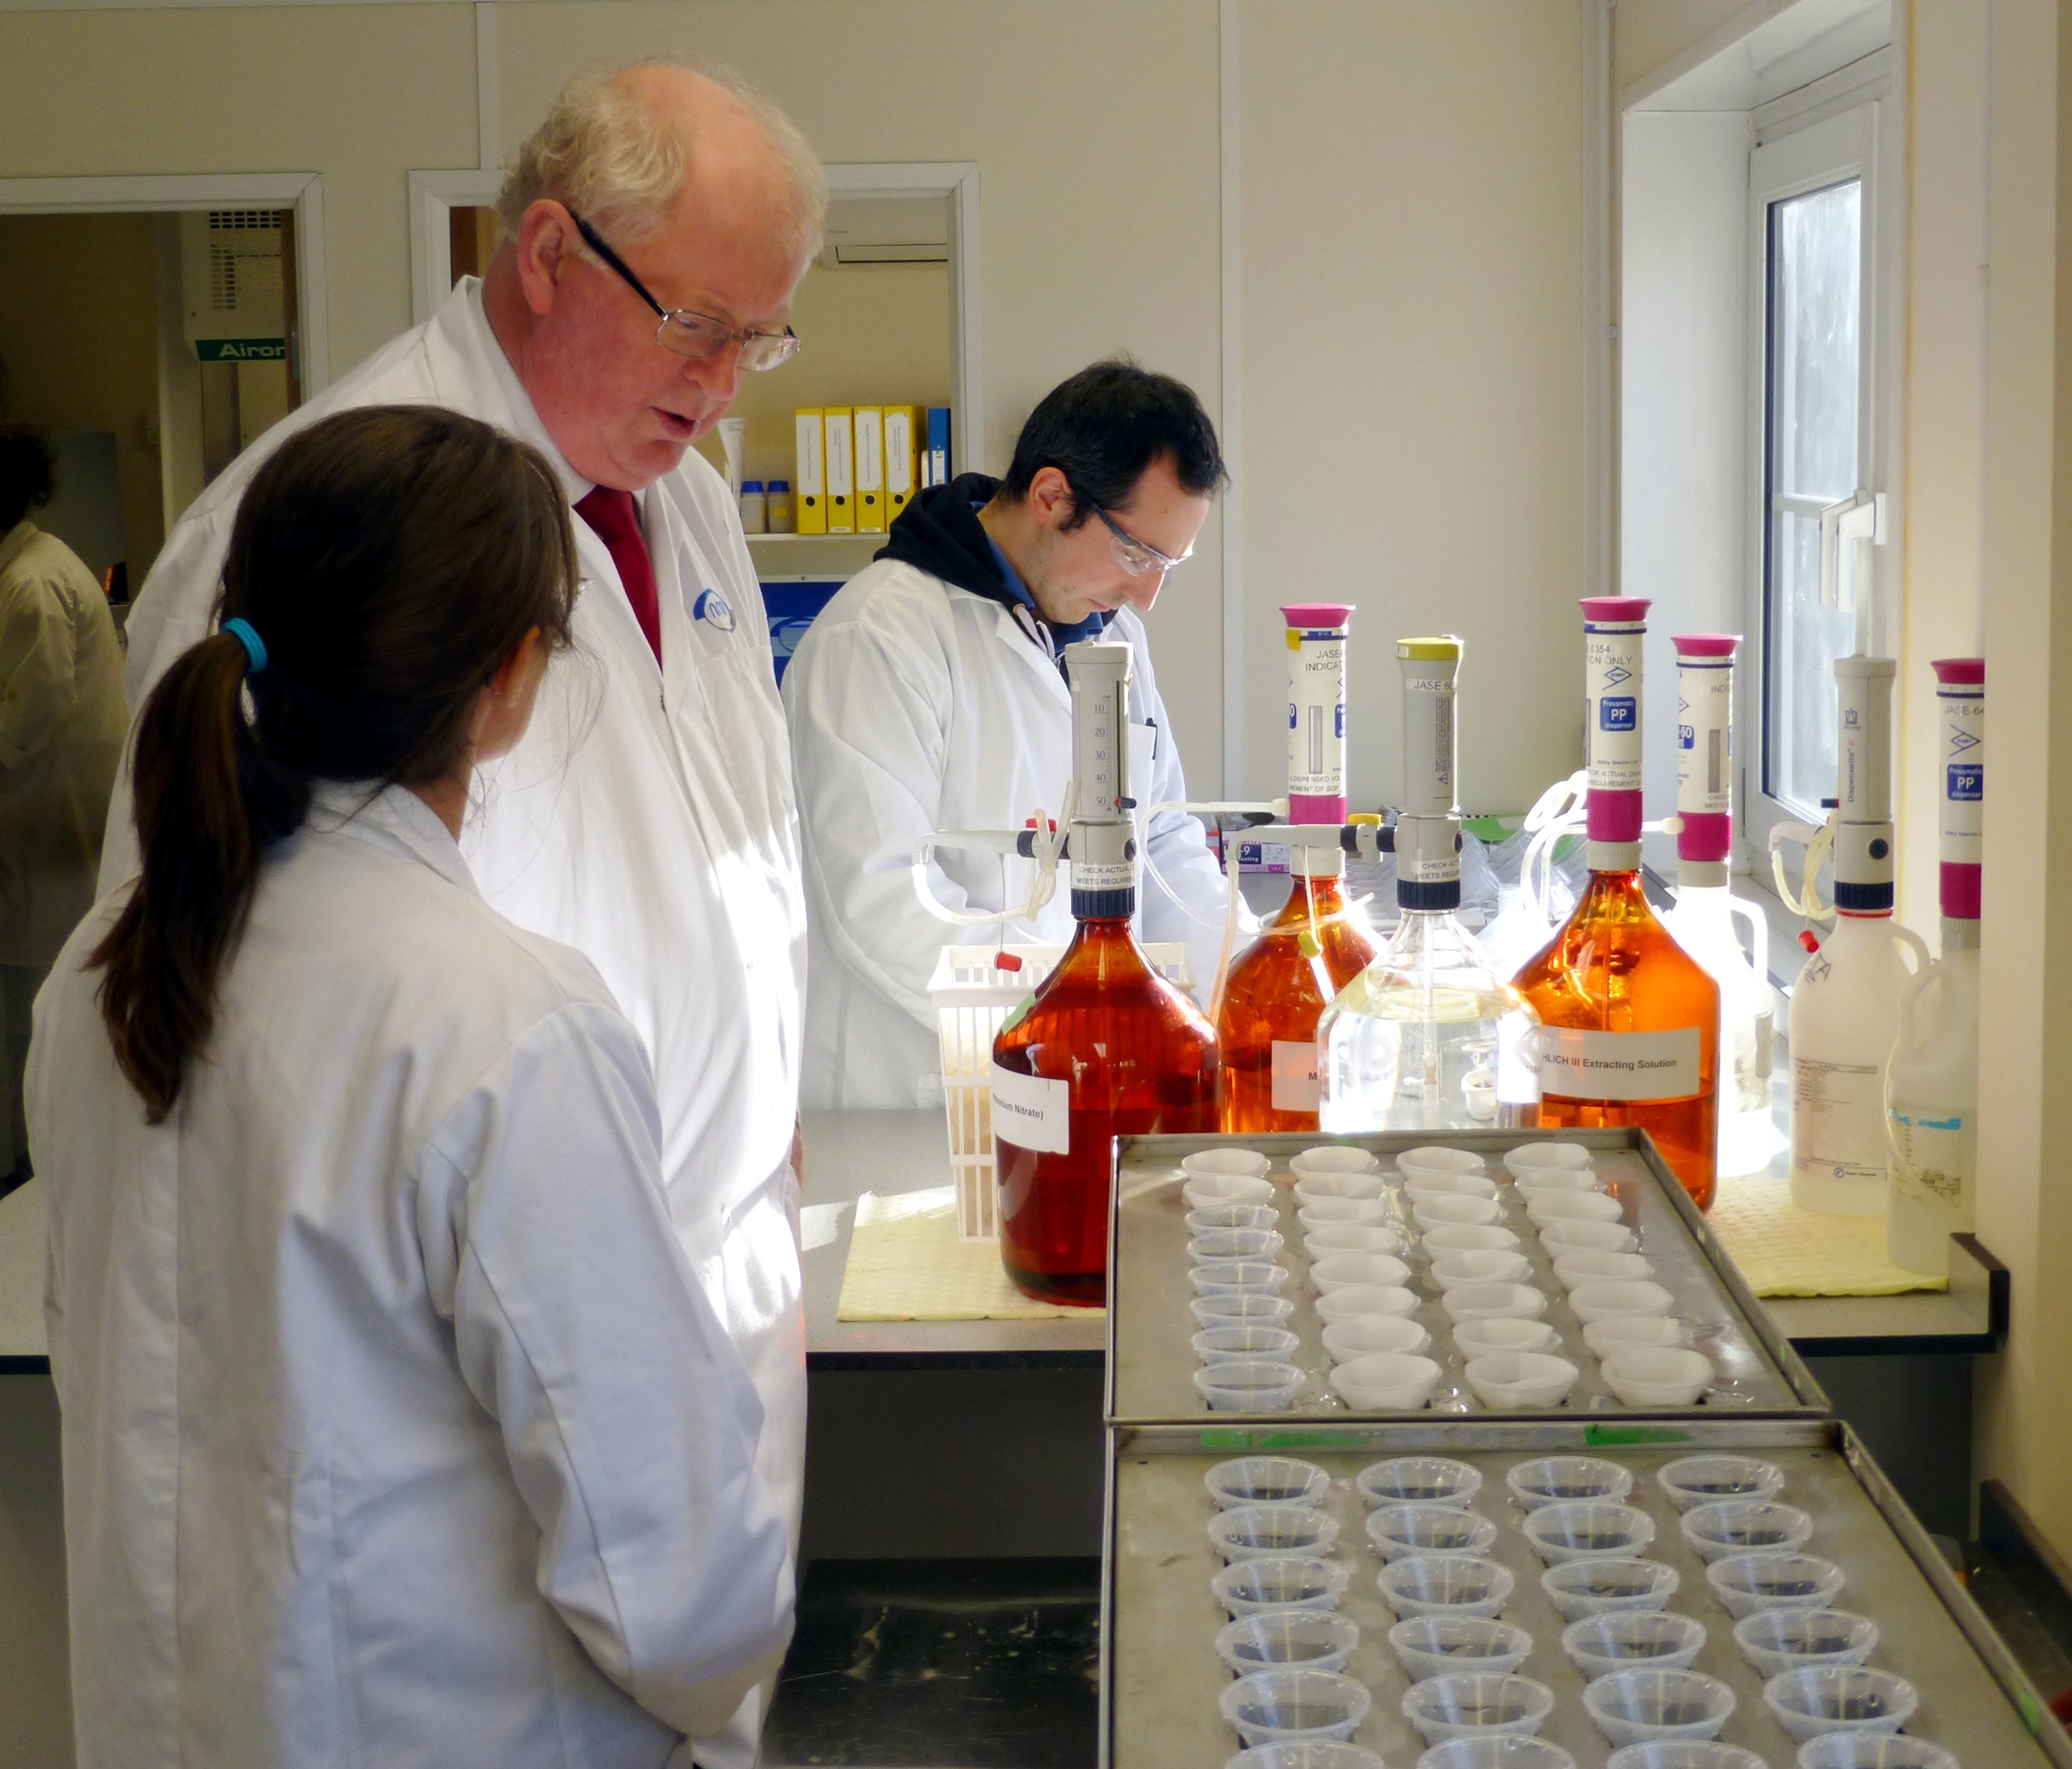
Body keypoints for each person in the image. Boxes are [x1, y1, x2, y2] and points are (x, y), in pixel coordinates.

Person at [99, 63, 821, 1764]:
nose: (720, 389)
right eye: (695, 327)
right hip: (467, 1414)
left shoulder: (676, 498)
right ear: (550, 251)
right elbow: (214, 1046)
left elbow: (725, 860)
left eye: (757, 342)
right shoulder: (316, 526)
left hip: (697, 1320)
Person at [783, 360, 1235, 1110]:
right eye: (1136, 555)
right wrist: (1081, 1022)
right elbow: (882, 902)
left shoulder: (1111, 634)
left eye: (1169, 567)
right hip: (918, 1093)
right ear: (1053, 497)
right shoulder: (877, 638)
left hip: (1071, 1070)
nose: (1146, 598)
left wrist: (1240, 974)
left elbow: (1160, 844)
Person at [0, 423, 125, 1188]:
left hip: (51, 836)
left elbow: (23, 728)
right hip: (49, 834)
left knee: (33, 1017)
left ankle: (28, 1170)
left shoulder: (32, 584)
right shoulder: (31, 568)